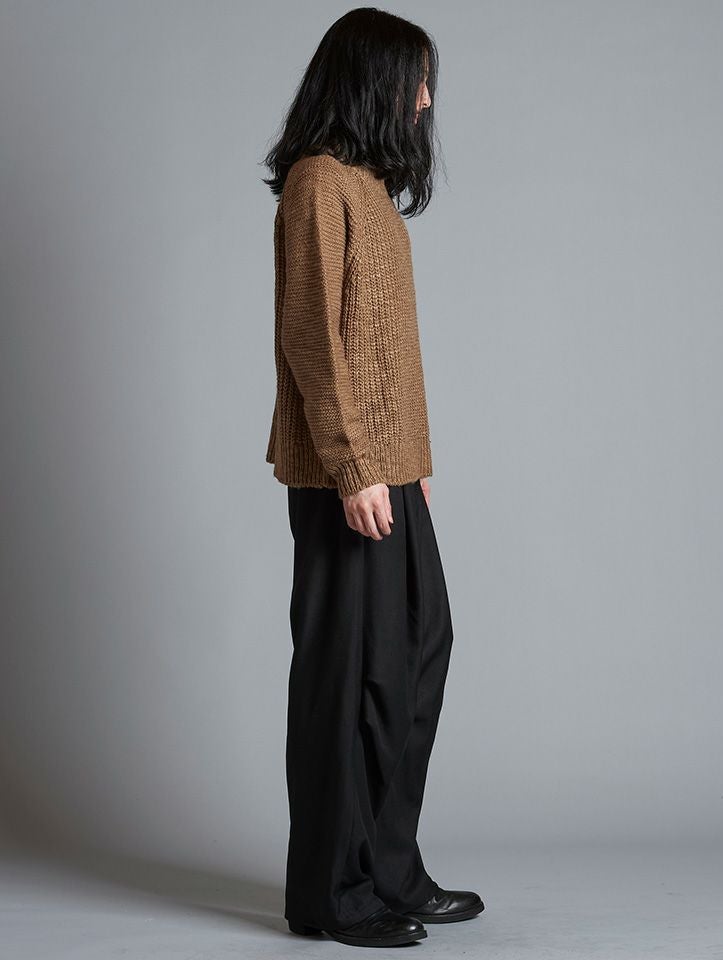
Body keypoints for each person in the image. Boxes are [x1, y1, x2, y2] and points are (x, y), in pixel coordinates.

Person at [260, 7, 484, 948]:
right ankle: (332, 894)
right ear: (373, 82)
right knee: (347, 679)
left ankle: (389, 870)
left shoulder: (370, 191)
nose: (425, 101)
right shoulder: (319, 184)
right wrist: (356, 466)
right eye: (417, 80)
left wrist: (411, 464)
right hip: (340, 475)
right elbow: (314, 340)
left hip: (390, 474)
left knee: (415, 657)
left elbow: (385, 349)